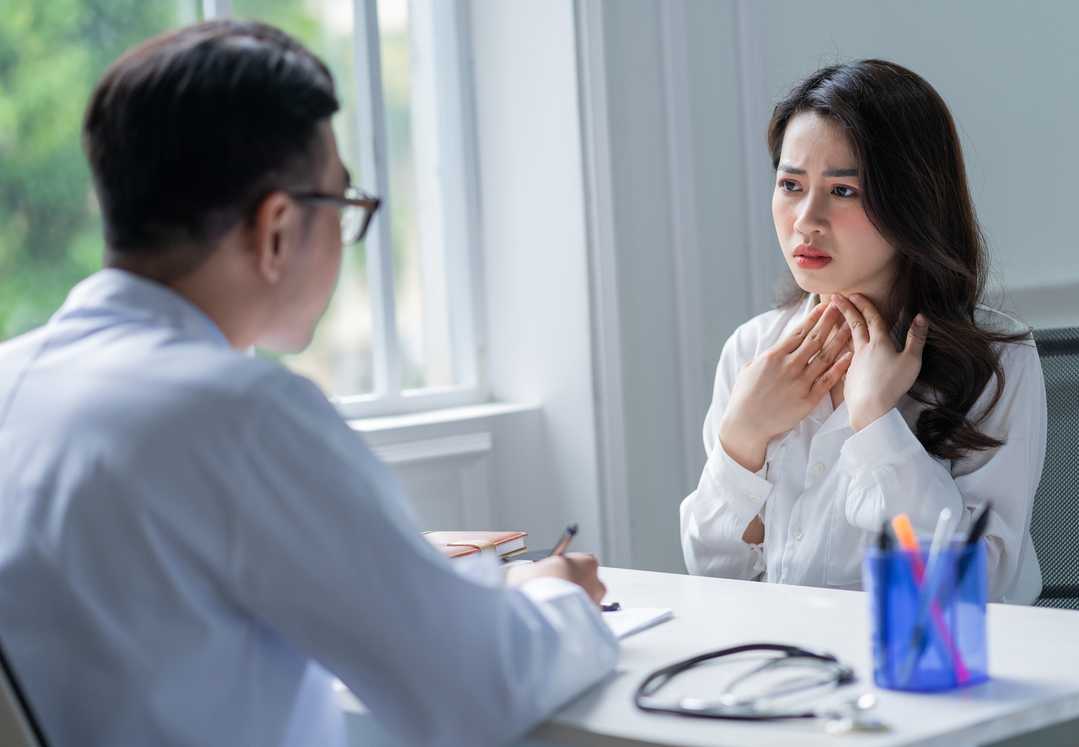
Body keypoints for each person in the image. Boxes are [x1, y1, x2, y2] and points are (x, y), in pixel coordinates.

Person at [0, 20, 617, 747]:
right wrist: (553, 594)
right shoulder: (237, 414)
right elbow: (483, 685)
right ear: (278, 228)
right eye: (344, 202)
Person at [679, 59, 1046, 604]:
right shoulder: (752, 351)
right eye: (790, 184)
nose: (806, 219)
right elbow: (715, 582)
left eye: (844, 191)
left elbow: (978, 588)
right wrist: (743, 440)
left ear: (913, 199)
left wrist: (875, 420)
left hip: (931, 679)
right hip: (786, 670)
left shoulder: (997, 359)